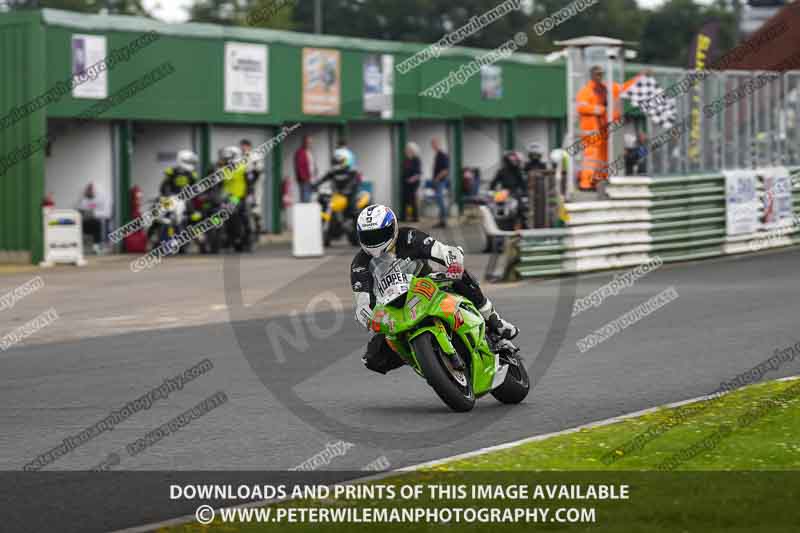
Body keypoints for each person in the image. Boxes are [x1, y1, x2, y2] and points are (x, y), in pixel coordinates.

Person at [351, 204, 519, 375]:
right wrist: (366, 315)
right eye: (368, 236)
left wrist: (452, 262)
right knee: (372, 358)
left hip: (427, 285)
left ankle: (493, 320)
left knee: (461, 278)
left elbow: (442, 250)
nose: (373, 241)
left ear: (392, 228)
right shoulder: (359, 264)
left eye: (378, 235)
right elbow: (362, 300)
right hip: (393, 307)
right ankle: (421, 357)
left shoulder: (409, 236)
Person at [576, 66, 644, 191]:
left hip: (605, 130)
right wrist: (601, 110)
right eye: (597, 74)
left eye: (601, 74)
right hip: (591, 132)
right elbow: (581, 108)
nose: (599, 76)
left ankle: (601, 180)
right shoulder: (585, 91)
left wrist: (639, 78)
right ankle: (586, 183)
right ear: (591, 75)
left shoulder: (608, 88)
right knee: (591, 158)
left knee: (604, 157)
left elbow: (624, 87)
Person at [313, 147, 360, 216]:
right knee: (325, 201)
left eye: (340, 161)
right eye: (336, 161)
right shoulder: (333, 172)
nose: (337, 163)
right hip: (337, 193)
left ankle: (354, 223)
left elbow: (353, 182)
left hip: (349, 193)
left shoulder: (352, 172)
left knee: (351, 208)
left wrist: (347, 189)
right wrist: (315, 185)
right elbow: (323, 178)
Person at [431, 138, 450, 228]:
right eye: (432, 144)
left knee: (440, 201)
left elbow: (446, 170)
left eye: (434, 144)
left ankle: (443, 221)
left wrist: (437, 178)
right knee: (439, 201)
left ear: (439, 144)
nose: (433, 146)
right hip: (438, 181)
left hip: (441, 181)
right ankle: (441, 220)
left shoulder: (442, 155)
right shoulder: (438, 155)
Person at [401, 142, 422, 222]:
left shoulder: (416, 160)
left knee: (413, 200)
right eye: (406, 150)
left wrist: (412, 179)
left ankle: (415, 217)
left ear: (413, 150)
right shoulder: (405, 160)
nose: (406, 151)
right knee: (404, 200)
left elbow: (418, 173)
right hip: (405, 183)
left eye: (408, 149)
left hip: (413, 183)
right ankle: (403, 217)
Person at [293, 135, 317, 203]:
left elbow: (312, 164)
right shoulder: (300, 152)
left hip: (312, 178)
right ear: (304, 142)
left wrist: (315, 172)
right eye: (308, 142)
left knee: (311, 197)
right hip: (305, 179)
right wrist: (303, 177)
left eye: (310, 142)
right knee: (305, 198)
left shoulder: (310, 152)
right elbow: (299, 166)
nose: (309, 144)